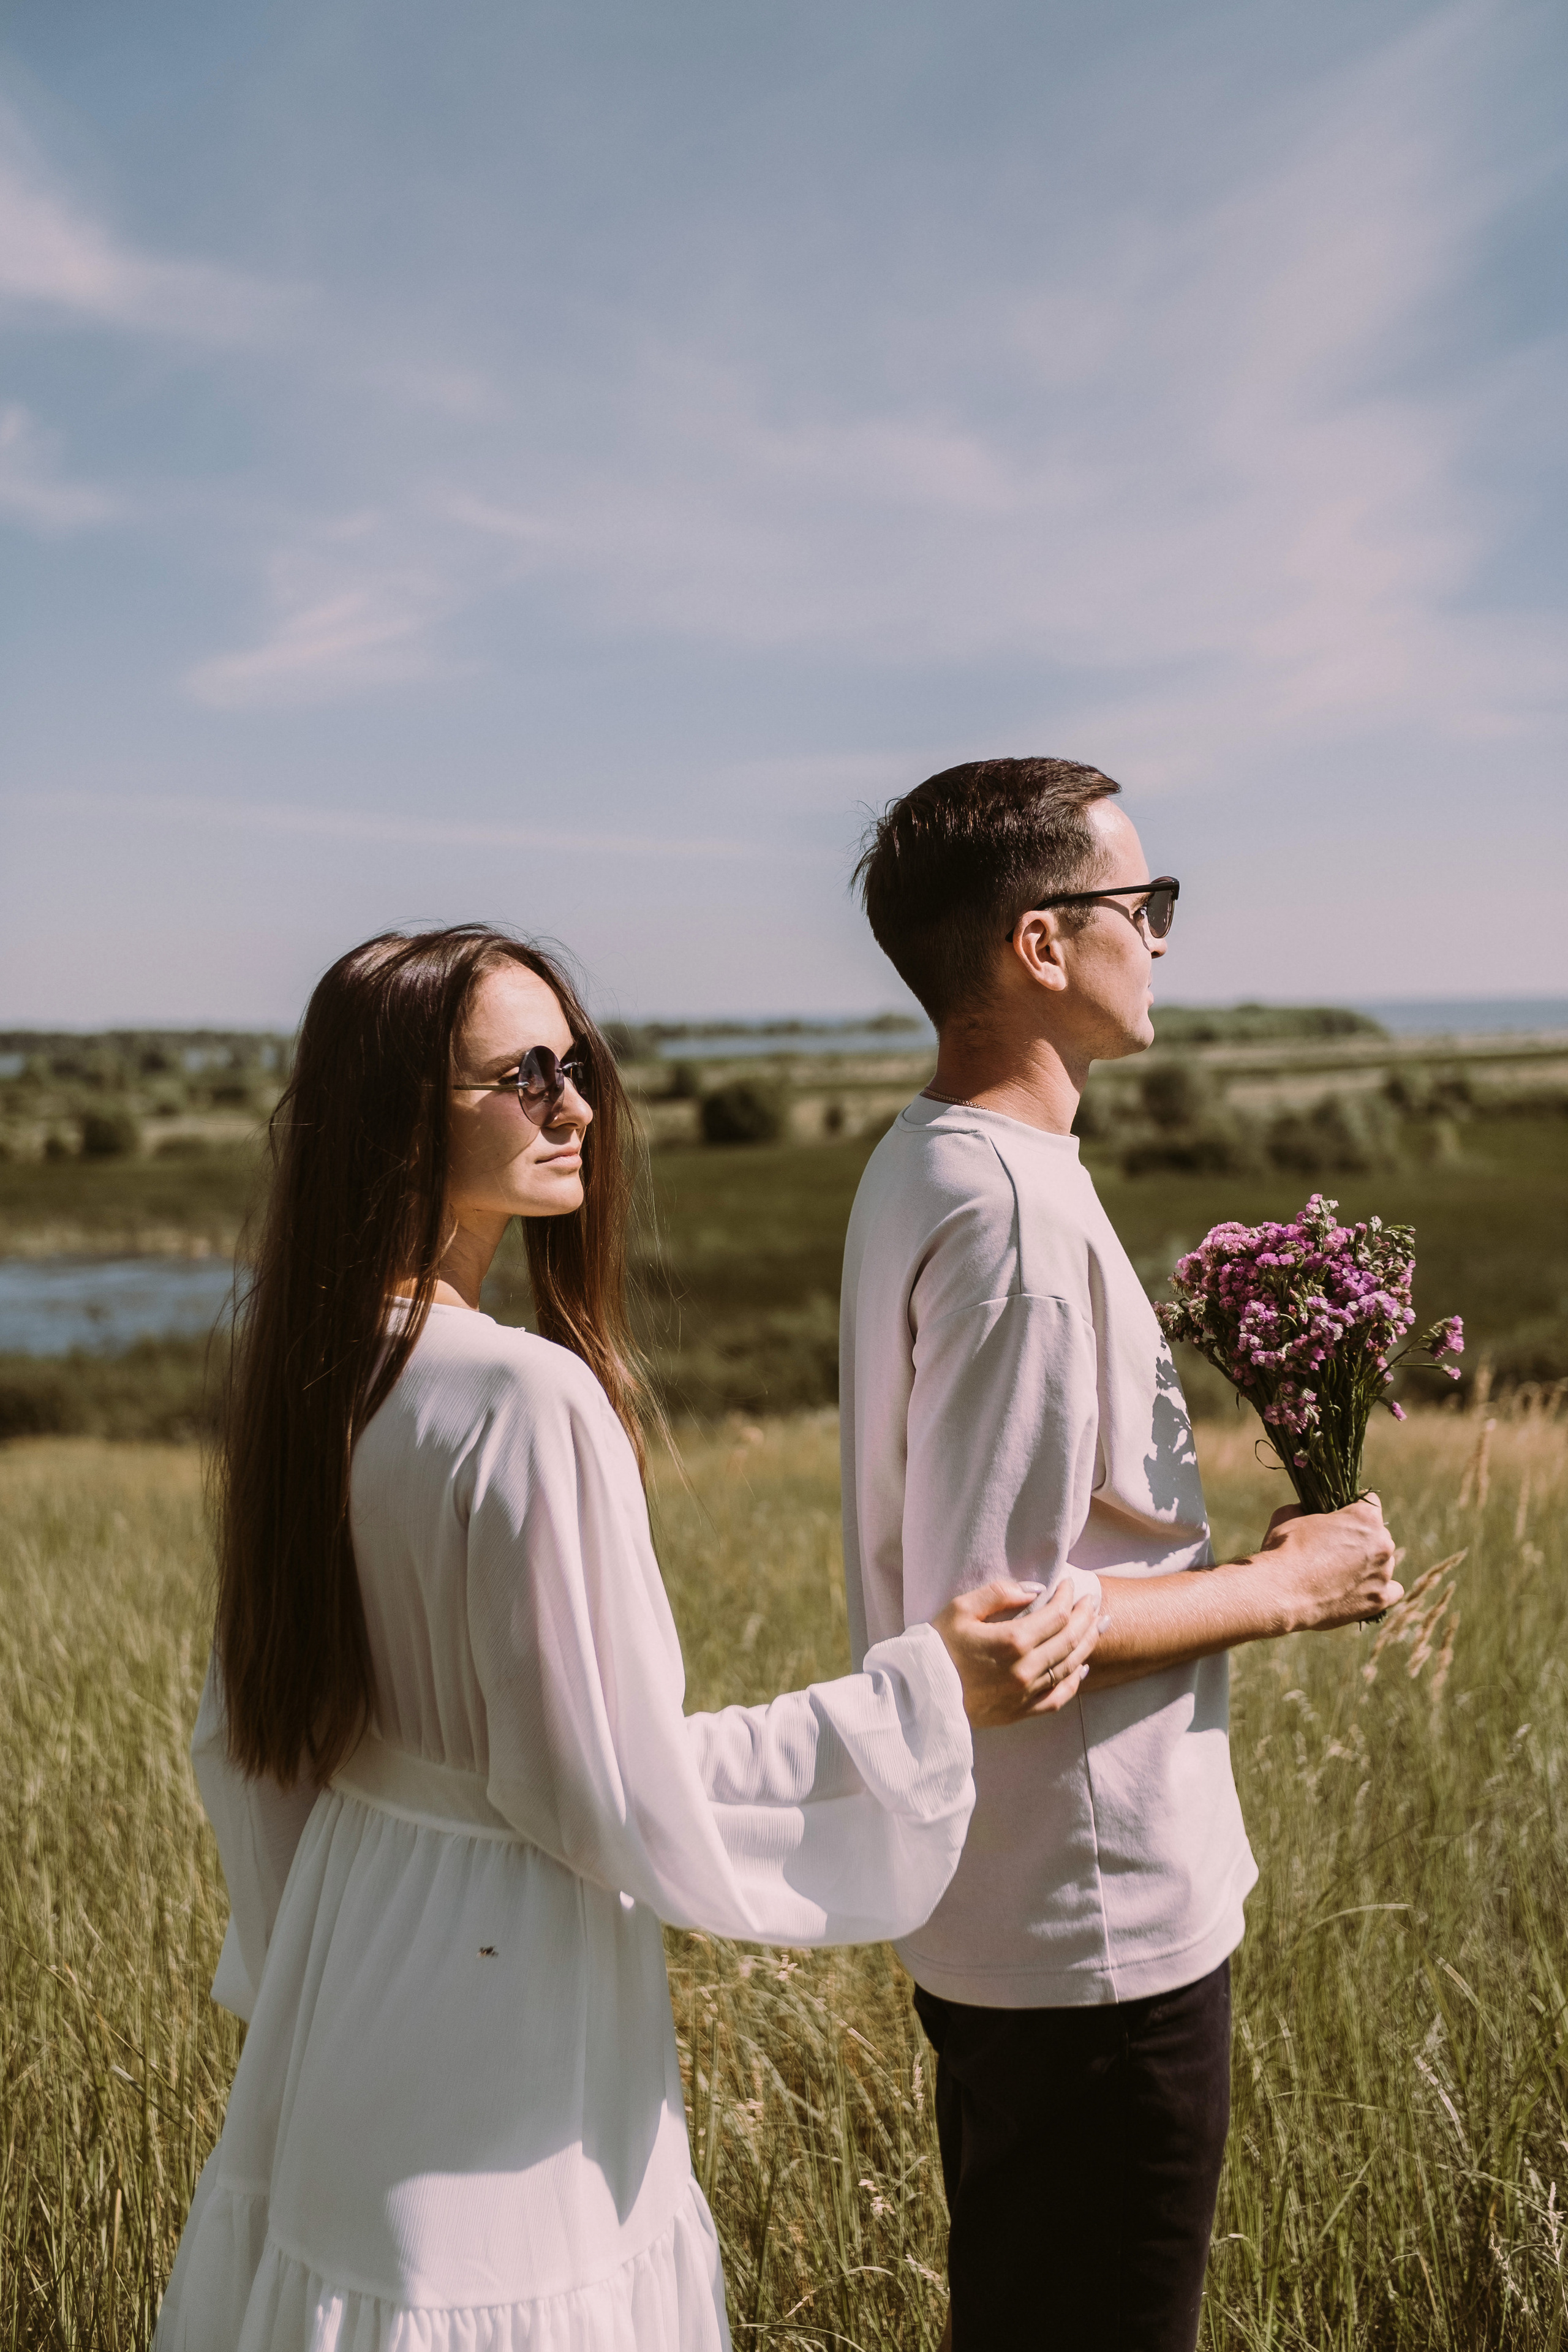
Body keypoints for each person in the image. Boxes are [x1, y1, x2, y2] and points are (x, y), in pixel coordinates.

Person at [155, 922, 1104, 2352]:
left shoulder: (315, 1371)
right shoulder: (523, 1403)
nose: (578, 1106)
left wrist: (303, 1965)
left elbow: (247, 1743)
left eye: (577, 1064)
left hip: (345, 1975)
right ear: (399, 1118)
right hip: (507, 1999)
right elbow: (602, 1788)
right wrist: (923, 1694)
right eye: (523, 1075)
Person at [839, 760, 1403, 2352]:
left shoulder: (924, 1164)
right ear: (1039, 942)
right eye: (1140, 905)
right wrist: (1295, 1586)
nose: (1159, 937)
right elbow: (1001, 1637)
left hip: (1009, 1908)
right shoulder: (1009, 1223)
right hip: (1089, 1934)